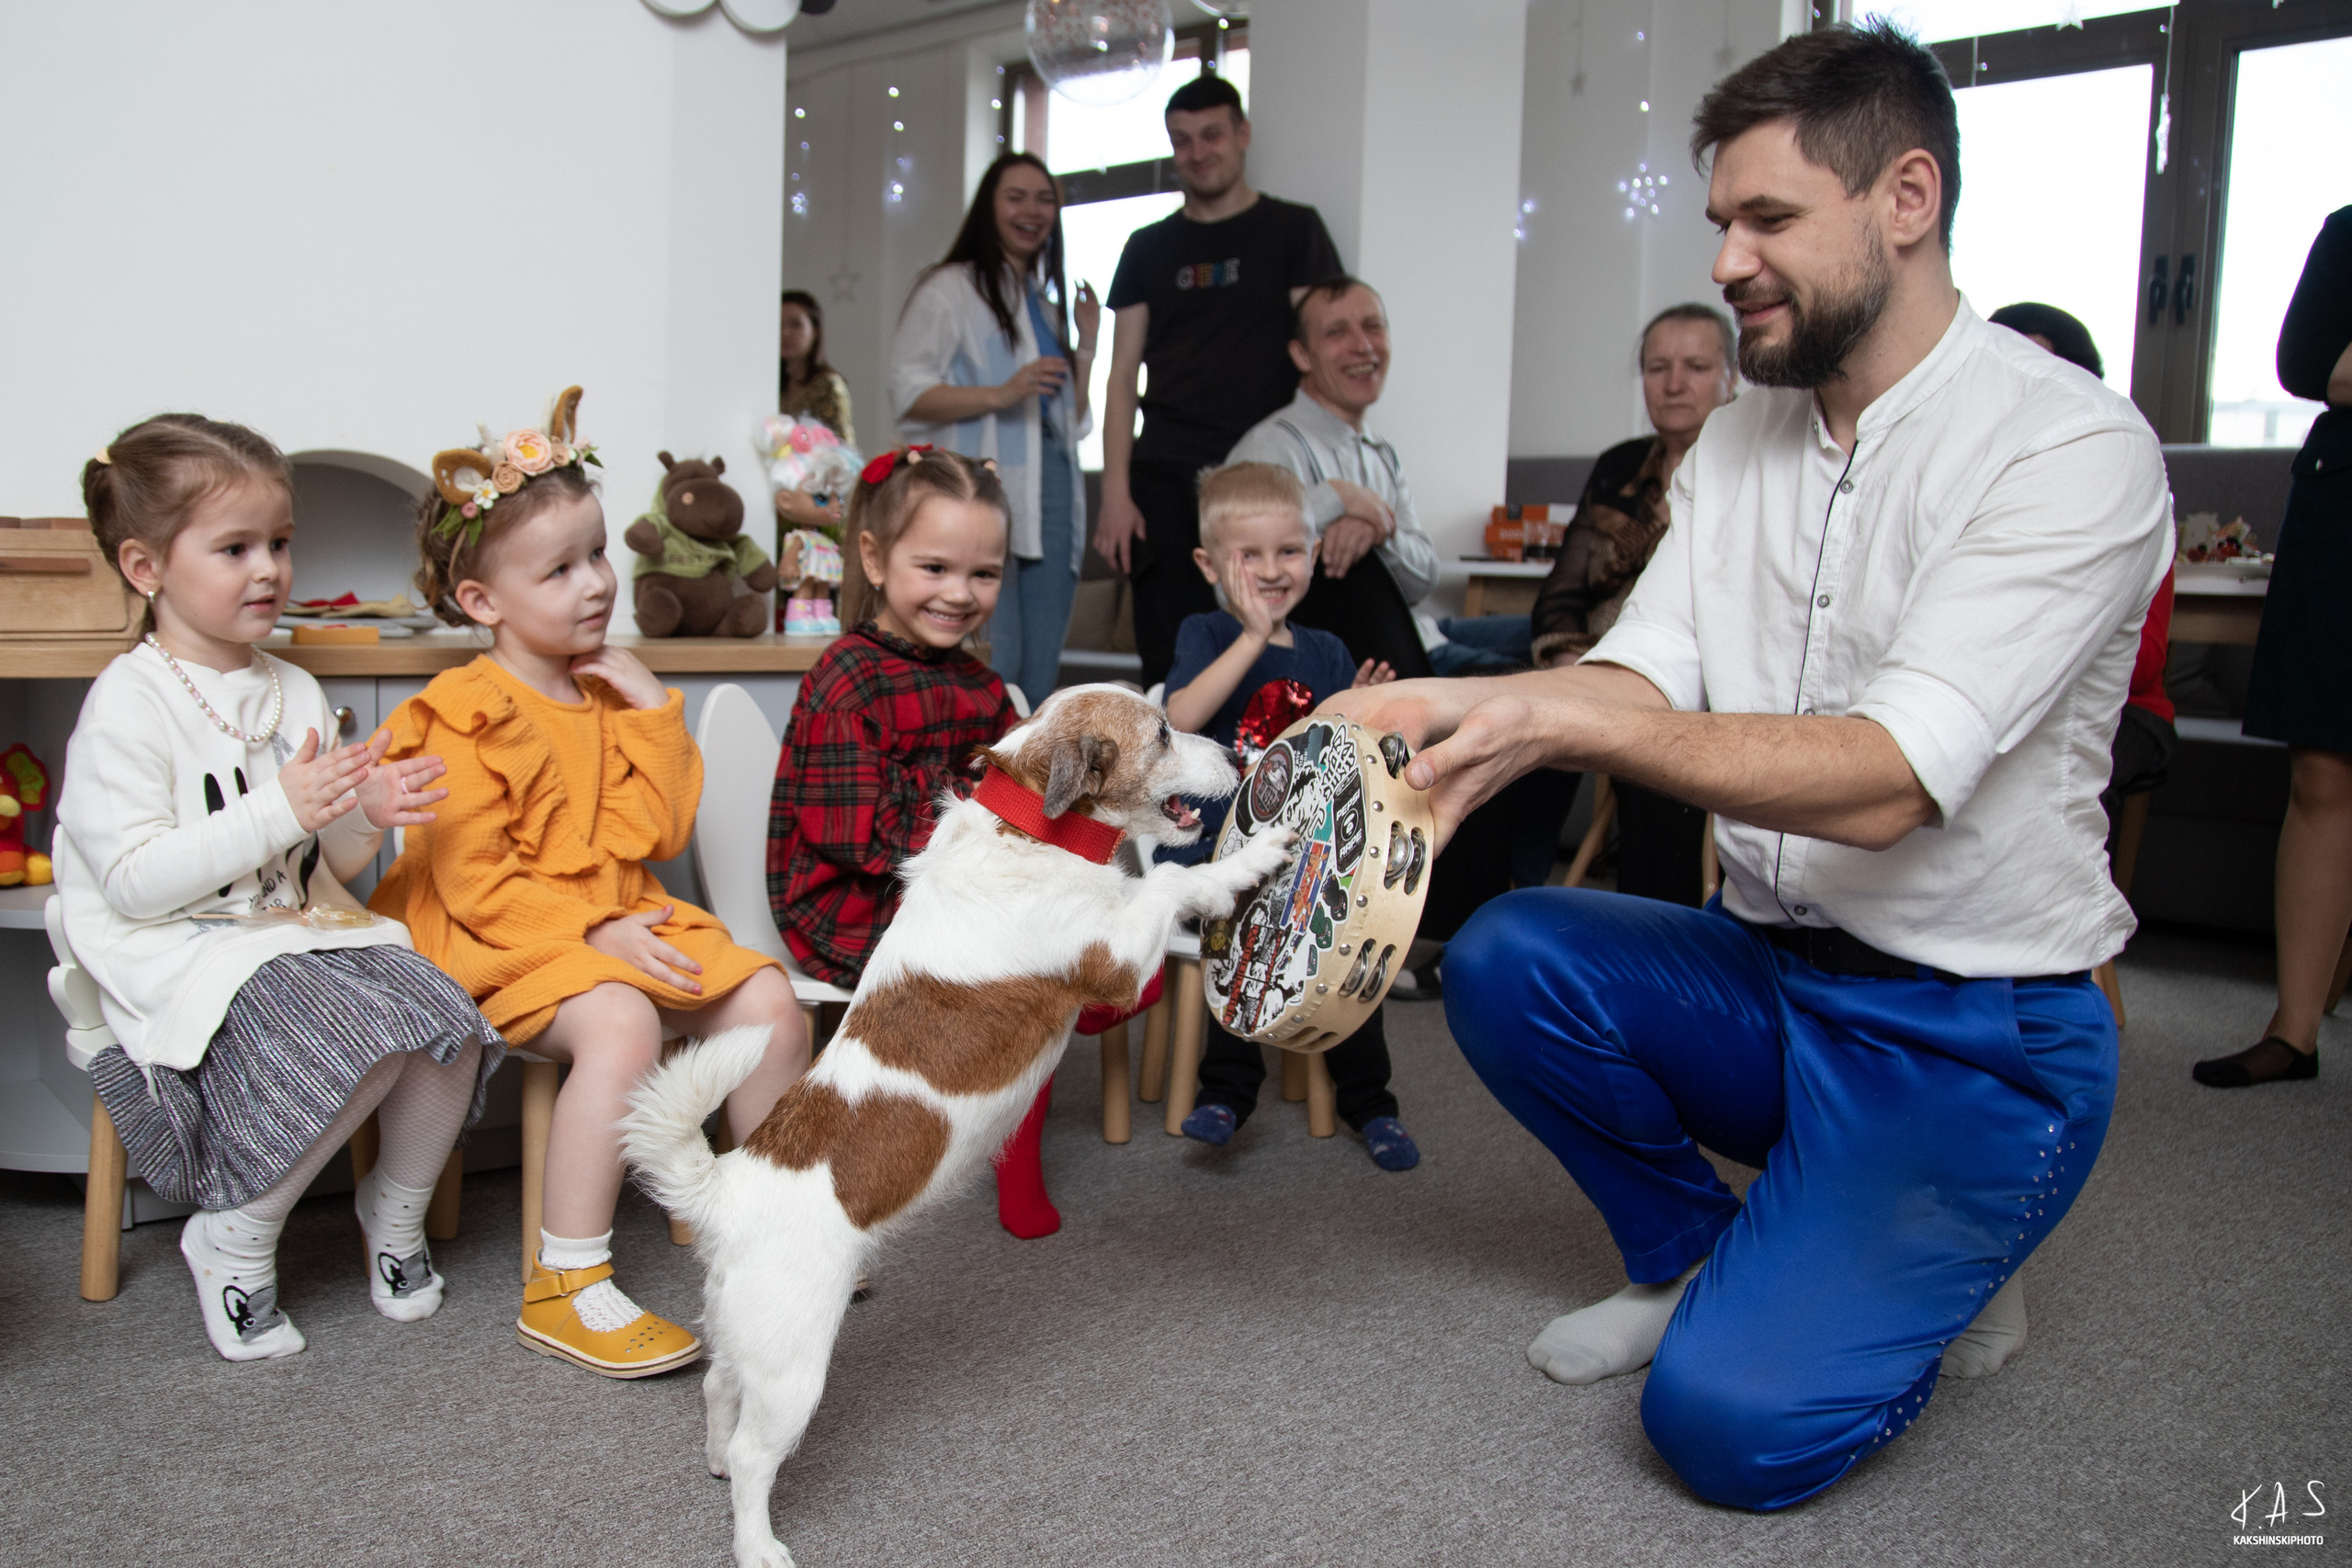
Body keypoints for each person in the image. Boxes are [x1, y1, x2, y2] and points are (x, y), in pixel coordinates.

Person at [1329, 24, 2169, 1510]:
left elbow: (1895, 774)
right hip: (1777, 972)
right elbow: (1640, 671)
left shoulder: (2069, 448)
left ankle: (1956, 1251)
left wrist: (1562, 721)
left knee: (1726, 1429)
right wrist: (1471, 714)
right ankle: (1695, 1255)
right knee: (1514, 954)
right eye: (1720, 220)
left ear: (1906, 199)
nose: (1725, 259)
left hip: (1976, 1035)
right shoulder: (1735, 442)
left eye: (1767, 218)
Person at [371, 405, 809, 1379]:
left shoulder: (611, 691)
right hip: (495, 934)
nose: (600, 583)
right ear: (484, 602)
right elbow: (476, 884)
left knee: (769, 1001)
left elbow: (656, 837)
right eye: (560, 569)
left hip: (612, 914)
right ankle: (565, 1281)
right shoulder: (462, 713)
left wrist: (656, 712)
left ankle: (765, 1227)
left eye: (600, 553)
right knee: (619, 1022)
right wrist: (598, 934)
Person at [59, 415, 503, 1362]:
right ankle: (233, 1234)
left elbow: (313, 874)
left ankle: (395, 1208)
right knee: (362, 1035)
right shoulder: (127, 704)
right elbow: (135, 884)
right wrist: (284, 808)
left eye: (279, 544)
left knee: (446, 1017)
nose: (267, 569)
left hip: (284, 930)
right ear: (147, 569)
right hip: (178, 942)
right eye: (234, 548)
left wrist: (362, 812)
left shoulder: (293, 689)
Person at [767, 446, 1144, 1237]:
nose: (959, 593)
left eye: (983, 574)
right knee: (1021, 963)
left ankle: (1075, 1000)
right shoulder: (847, 677)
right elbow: (851, 832)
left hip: (941, 874)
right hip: (852, 894)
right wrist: (987, 857)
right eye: (934, 567)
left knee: (1048, 934)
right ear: (873, 557)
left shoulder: (977, 682)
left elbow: (1010, 799)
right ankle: (1024, 1133)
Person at [1159, 462, 1418, 1170]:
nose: (1274, 569)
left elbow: (1340, 764)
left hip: (1307, 849)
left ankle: (1373, 1102)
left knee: (1354, 927)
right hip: (1216, 847)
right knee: (1240, 917)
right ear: (1211, 564)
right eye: (1251, 555)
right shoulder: (1207, 632)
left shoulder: (1326, 650)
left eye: (1290, 551)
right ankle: (1228, 1090)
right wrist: (1252, 633)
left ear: (1312, 552)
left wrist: (1362, 714)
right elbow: (1178, 718)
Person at [1095, 72, 1344, 690]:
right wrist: (1115, 492)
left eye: (1211, 136)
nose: (1197, 152)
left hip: (1264, 472)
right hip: (1163, 473)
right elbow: (1122, 373)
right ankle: (1172, 787)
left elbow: (1322, 349)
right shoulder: (1146, 247)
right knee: (1169, 654)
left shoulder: (1294, 230)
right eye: (1181, 141)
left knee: (1277, 648)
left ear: (1242, 135)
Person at [2199, 205, 2352, 1089]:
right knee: (2324, 768)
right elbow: (2308, 364)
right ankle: (2295, 1030)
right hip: (2348, 505)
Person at [1529, 302, 1738, 907]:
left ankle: (1658, 939)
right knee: (1505, 713)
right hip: (1598, 665)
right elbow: (1563, 590)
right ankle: (1492, 902)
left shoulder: (1749, 467)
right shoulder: (1618, 466)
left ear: (1732, 377)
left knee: (1660, 755)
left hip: (1693, 682)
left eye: (1696, 366)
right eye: (1657, 367)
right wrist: (1568, 666)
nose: (1674, 383)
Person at [891, 153, 1097, 707]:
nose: (1032, 210)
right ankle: (971, 791)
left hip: (1053, 504)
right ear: (989, 206)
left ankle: (1024, 794)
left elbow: (1073, 423)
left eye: (1045, 198)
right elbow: (908, 392)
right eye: (1016, 197)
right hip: (984, 498)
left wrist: (1087, 343)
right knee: (991, 663)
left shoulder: (1049, 311)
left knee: (1038, 676)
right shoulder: (949, 289)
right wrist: (1002, 392)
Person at [1988, 302, 2177, 840]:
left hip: (2122, 708)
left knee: (2059, 769)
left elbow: (2143, 663)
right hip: (2001, 700)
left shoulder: (2122, 476)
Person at [1226, 275, 1441, 680]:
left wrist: (1379, 530)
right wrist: (1333, 499)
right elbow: (1229, 592)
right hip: (1362, 672)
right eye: (1337, 332)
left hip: (1427, 637)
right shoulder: (1270, 448)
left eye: (1373, 326)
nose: (1362, 345)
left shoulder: (1382, 451)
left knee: (1556, 639)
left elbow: (1424, 580)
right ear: (1302, 355)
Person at [777, 288, 855, 532]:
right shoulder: (772, 387)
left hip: (817, 501)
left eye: (795, 325)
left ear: (815, 331)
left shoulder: (828, 385)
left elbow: (844, 449)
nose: (785, 333)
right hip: (783, 500)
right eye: (779, 325)